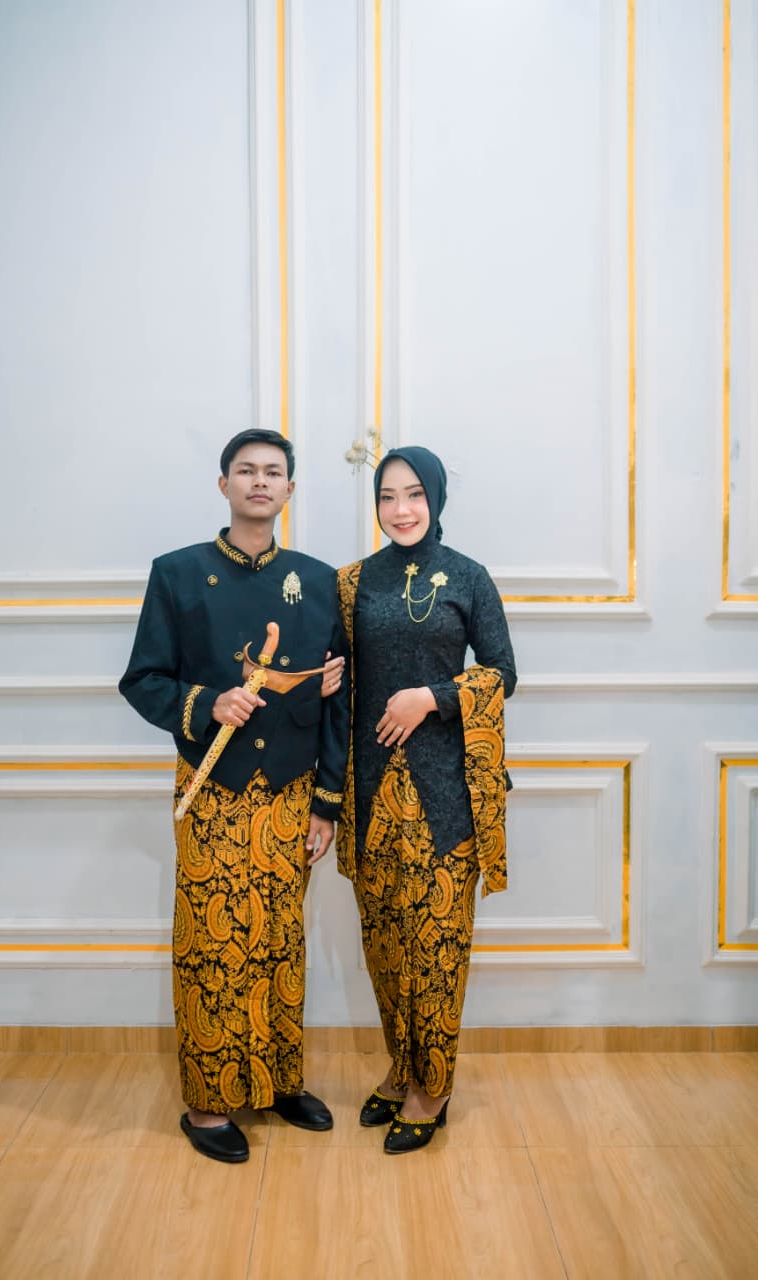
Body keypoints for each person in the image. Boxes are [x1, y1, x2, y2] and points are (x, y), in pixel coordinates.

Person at [119, 428, 349, 1163]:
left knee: (280, 940)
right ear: (224, 485)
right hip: (211, 788)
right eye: (245, 471)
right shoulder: (177, 573)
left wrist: (327, 803)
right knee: (212, 944)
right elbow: (142, 680)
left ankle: (277, 1083)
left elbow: (337, 699)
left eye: (273, 472)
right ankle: (209, 1104)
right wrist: (205, 704)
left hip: (290, 793)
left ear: (289, 490)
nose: (259, 482)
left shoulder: (320, 581)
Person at [336, 446, 516, 1154]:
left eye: (413, 494)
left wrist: (431, 698)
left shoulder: (468, 577)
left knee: (437, 949)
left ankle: (431, 1089)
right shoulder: (352, 583)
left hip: (447, 795)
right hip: (371, 791)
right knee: (384, 946)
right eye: (387, 496)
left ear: (434, 499)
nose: (400, 509)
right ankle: (401, 1067)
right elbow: (339, 684)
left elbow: (502, 673)